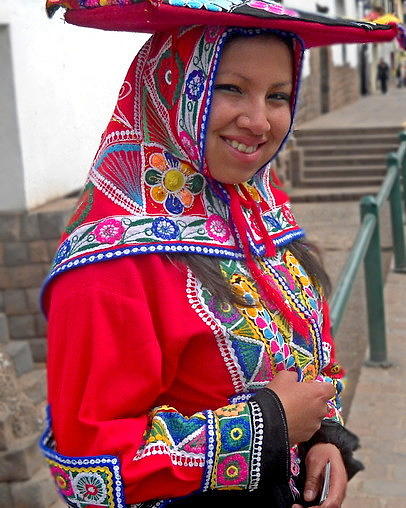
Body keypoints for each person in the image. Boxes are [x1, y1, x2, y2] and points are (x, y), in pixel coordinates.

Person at [41, 3, 402, 507]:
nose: (259, 121)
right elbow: (88, 469)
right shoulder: (110, 266)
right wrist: (269, 425)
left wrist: (323, 437)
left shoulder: (260, 214)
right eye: (229, 88)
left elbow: (306, 352)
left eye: (278, 96)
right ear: (169, 90)